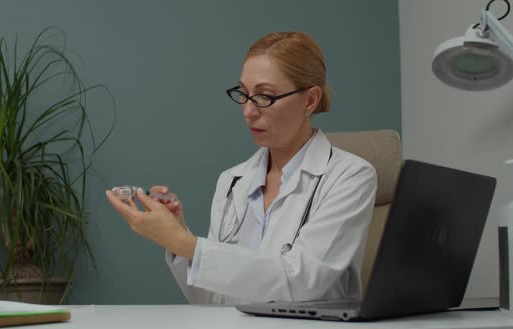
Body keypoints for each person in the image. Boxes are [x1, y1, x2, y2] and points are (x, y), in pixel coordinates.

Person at [106, 31, 377, 305]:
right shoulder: (232, 181)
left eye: (264, 97)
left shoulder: (351, 177)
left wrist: (185, 244)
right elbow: (212, 301)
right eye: (244, 95)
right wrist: (177, 235)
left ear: (309, 100)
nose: (248, 111)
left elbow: (303, 281)